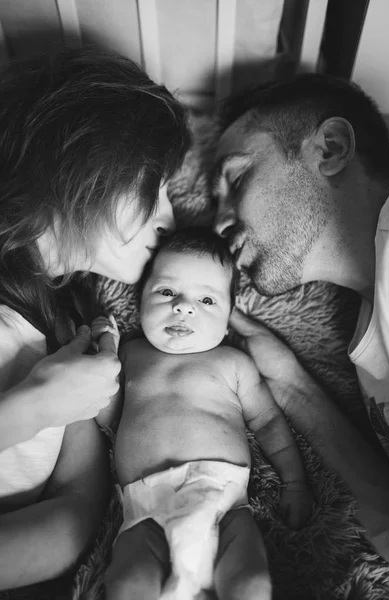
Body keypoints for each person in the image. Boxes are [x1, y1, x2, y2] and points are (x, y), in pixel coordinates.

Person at [0, 48, 190, 590]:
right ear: (83, 166)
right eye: (153, 187)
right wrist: (34, 407)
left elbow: (78, 500)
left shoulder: (70, 320)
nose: (169, 218)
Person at [212, 73, 389, 572]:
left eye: (236, 178)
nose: (218, 223)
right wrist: (290, 383)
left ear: (330, 148)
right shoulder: (372, 317)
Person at [92, 227, 313, 600]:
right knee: (128, 583)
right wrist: (106, 351)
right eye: (166, 292)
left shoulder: (234, 363)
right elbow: (104, 418)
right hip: (147, 510)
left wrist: (294, 482)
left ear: (228, 318)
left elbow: (268, 421)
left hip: (224, 505)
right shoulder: (130, 356)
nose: (183, 306)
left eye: (207, 301)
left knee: (251, 583)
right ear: (140, 300)